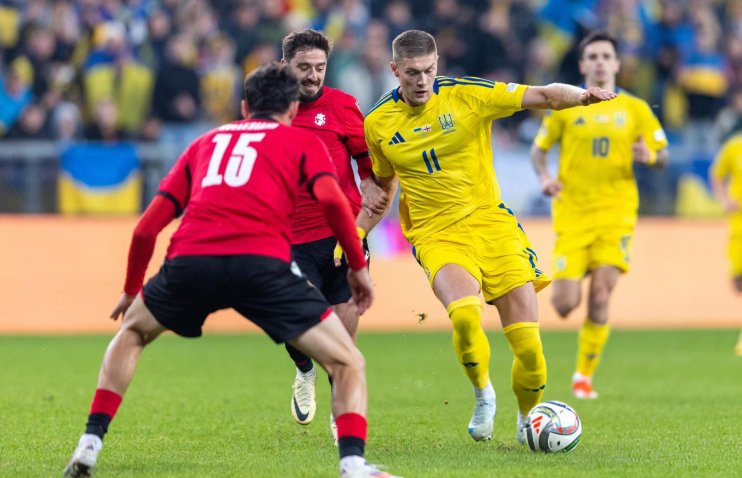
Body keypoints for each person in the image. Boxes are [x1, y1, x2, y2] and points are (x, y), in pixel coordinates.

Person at [63, 63, 398, 478]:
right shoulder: (301, 142)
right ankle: (352, 466)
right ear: (294, 108)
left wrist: (132, 290)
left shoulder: (206, 142)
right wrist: (359, 267)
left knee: (131, 334)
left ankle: (89, 445)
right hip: (262, 263)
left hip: (191, 261)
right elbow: (333, 203)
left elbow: (147, 227)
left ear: (243, 106)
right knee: (348, 362)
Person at [363, 29, 615, 444]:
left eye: (428, 70)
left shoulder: (467, 94)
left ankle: (527, 417)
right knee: (464, 315)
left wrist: (583, 96)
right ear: (395, 71)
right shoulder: (376, 122)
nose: (422, 81)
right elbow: (384, 185)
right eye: (412, 73)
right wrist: (358, 232)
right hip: (436, 232)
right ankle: (483, 394)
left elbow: (543, 95)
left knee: (530, 349)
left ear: (437, 64)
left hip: (491, 225)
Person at [530, 31, 669, 398]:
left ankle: (583, 377)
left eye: (606, 56)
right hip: (572, 215)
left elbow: (663, 154)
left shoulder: (635, 109)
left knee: (602, 296)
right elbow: (538, 151)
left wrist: (650, 157)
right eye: (592, 56)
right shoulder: (567, 106)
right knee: (563, 305)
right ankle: (583, 270)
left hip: (616, 213)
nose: (600, 62)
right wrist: (545, 178)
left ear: (617, 64)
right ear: (582, 65)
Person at [279, 29, 391, 438]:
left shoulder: (343, 107)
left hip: (342, 234)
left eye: (319, 68)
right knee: (299, 319)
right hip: (289, 236)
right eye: (304, 67)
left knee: (343, 330)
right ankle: (304, 369)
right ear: (285, 66)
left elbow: (371, 172)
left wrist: (364, 220)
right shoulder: (270, 110)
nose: (312, 76)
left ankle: (337, 405)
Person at [709, 129, 742, 356]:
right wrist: (724, 200)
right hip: (738, 223)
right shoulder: (734, 146)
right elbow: (716, 174)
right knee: (739, 280)